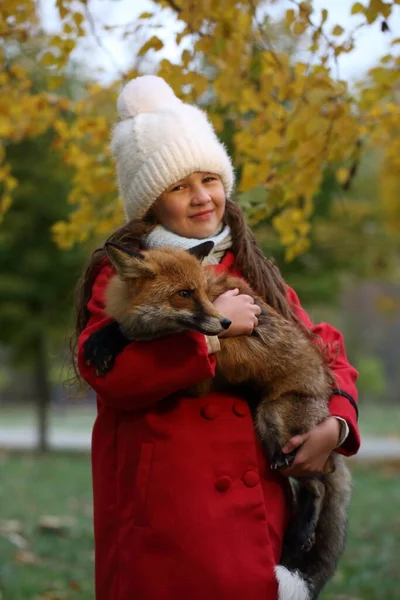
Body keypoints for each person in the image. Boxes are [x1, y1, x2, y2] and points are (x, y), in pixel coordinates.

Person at [74, 76, 360, 600]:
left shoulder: (252, 266)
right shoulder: (126, 275)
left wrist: (337, 424)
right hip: (167, 519)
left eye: (210, 178)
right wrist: (212, 334)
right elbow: (109, 375)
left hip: (257, 516)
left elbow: (324, 349)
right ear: (151, 202)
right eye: (179, 186)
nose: (202, 196)